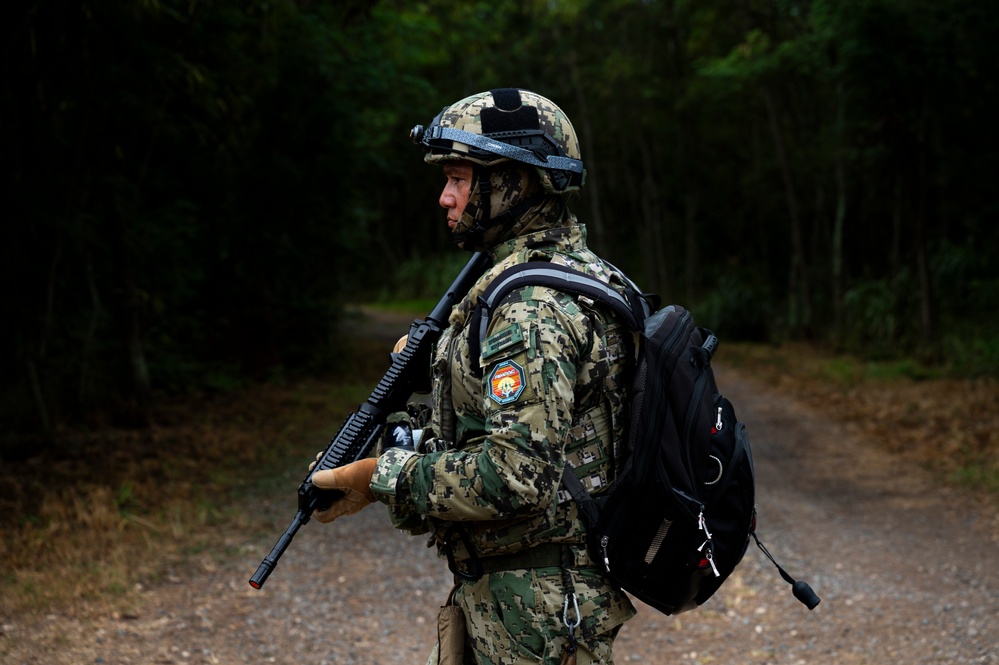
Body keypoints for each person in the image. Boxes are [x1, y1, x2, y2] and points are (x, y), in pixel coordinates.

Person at [310, 88, 637, 664]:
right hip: (517, 600)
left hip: (538, 615)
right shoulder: (554, 275)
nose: (445, 196)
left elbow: (514, 476)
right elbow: (490, 434)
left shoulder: (531, 308)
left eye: (460, 177)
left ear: (519, 180)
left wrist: (382, 476)